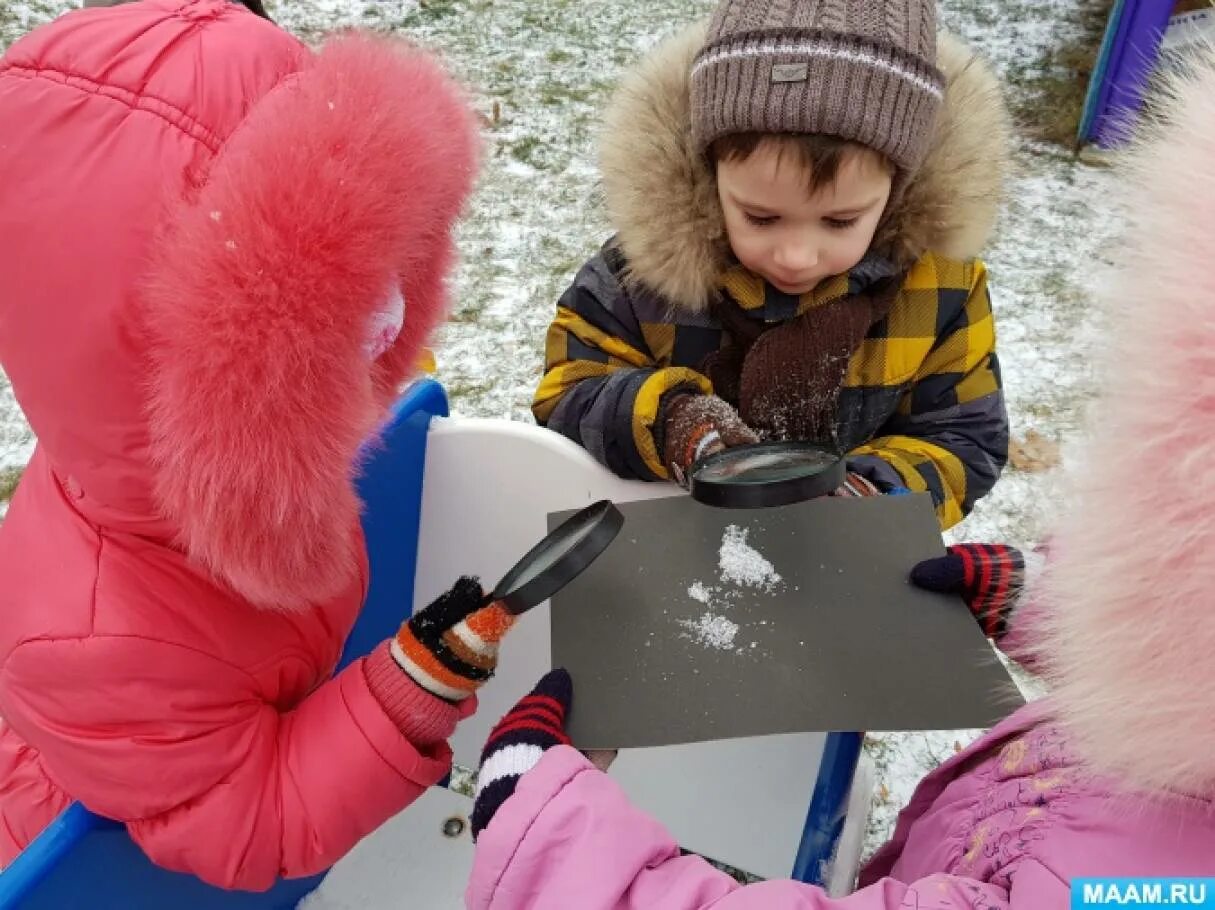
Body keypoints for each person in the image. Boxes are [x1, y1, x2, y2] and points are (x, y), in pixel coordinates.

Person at [0, 0, 507, 890]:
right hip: (75, 875)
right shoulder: (95, 645)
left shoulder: (166, 463)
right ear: (181, 365)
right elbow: (251, 825)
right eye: (311, 309)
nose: (389, 314)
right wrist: (403, 689)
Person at [532, 0, 1010, 529]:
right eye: (760, 218)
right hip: (666, 542)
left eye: (840, 221)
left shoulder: (940, 290)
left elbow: (964, 438)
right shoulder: (639, 278)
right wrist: (668, 420)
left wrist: (872, 499)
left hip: (846, 560)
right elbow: (569, 396)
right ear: (709, 175)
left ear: (899, 192)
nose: (796, 255)